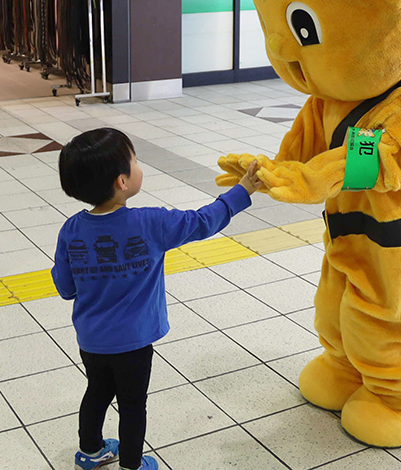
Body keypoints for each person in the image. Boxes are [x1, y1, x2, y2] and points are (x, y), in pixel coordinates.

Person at [52, 128, 262, 470]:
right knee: (133, 404)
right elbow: (204, 221)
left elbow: (65, 288)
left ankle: (90, 451)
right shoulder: (151, 223)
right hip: (134, 342)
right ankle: (132, 466)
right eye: (135, 160)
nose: (139, 165)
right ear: (122, 181)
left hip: (91, 340)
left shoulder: (71, 230)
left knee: (97, 392)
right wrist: (243, 190)